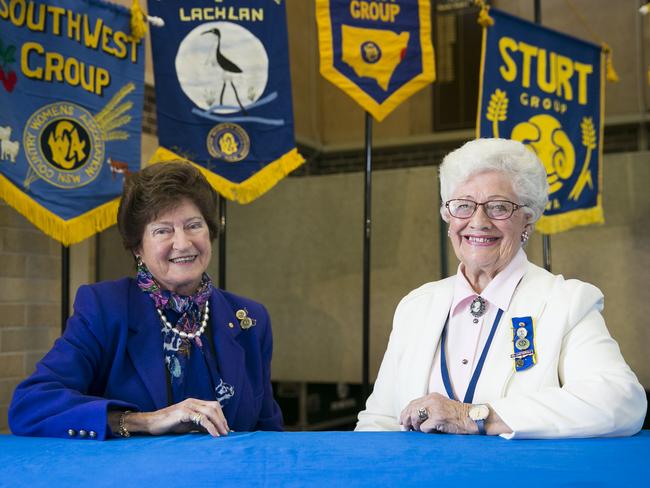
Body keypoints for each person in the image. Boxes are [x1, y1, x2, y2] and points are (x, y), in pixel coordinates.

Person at [356, 138, 646, 438]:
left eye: (498, 207)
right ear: (447, 216)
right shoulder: (415, 306)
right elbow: (378, 421)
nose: (478, 222)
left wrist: (473, 417)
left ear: (527, 221)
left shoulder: (567, 302)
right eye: (464, 206)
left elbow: (621, 401)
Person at [9, 161, 283, 440]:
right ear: (138, 247)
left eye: (193, 225)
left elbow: (269, 436)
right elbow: (30, 406)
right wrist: (144, 421)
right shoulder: (105, 308)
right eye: (163, 230)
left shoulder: (250, 319)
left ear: (210, 232)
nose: (183, 243)